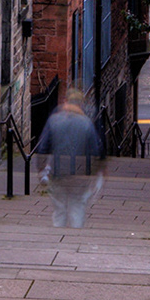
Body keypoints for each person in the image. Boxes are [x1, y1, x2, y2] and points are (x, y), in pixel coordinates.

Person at [36, 80, 104, 229]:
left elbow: (42, 148)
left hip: (57, 173)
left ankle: (58, 237)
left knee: (59, 209)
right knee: (77, 207)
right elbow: (95, 151)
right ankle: (75, 240)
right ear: (81, 104)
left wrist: (41, 169)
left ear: (66, 101)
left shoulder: (53, 120)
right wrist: (93, 174)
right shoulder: (86, 124)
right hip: (79, 176)